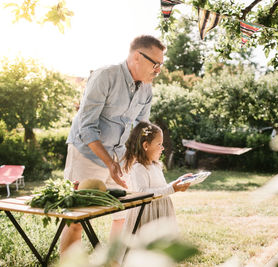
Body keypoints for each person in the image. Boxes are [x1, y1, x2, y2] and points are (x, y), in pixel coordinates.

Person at [60, 35, 166, 256]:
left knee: (124, 214)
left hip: (118, 158)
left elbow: (140, 130)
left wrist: (132, 160)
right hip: (86, 154)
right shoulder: (105, 77)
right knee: (77, 218)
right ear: (137, 57)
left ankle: (113, 262)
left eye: (161, 65)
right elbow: (86, 127)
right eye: (155, 64)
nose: (158, 70)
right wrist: (110, 162)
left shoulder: (146, 90)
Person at [118, 121, 191, 263]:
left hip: (160, 210)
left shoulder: (156, 165)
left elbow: (160, 188)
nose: (163, 148)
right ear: (146, 146)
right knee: (145, 252)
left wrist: (178, 182)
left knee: (161, 251)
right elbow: (143, 192)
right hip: (147, 214)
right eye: (159, 144)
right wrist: (172, 188)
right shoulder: (138, 168)